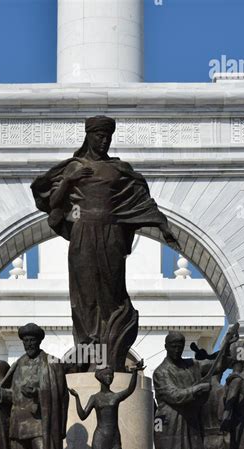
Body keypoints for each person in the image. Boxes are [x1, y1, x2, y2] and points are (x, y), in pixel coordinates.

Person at [31, 115, 180, 370]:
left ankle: (113, 353)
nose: (104, 141)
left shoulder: (119, 169)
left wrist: (163, 226)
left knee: (112, 294)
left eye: (108, 137)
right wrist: (70, 180)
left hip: (111, 234)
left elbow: (141, 199)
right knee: (84, 294)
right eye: (99, 136)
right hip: (82, 234)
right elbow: (53, 202)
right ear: (88, 136)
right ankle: (89, 351)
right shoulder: (73, 166)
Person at [153, 328, 237, 449]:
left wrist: (227, 346)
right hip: (169, 428)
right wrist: (198, 389)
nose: (177, 350)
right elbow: (174, 395)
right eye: (173, 346)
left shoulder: (191, 365)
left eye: (180, 347)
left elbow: (216, 366)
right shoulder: (160, 372)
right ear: (166, 347)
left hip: (191, 425)